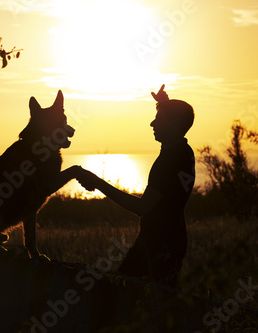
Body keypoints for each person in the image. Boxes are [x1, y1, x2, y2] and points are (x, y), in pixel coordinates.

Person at [75, 85, 195, 288]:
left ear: (175, 124)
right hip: (158, 242)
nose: (152, 123)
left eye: (160, 119)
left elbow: (142, 208)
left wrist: (97, 183)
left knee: (136, 299)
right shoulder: (183, 152)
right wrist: (163, 104)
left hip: (160, 246)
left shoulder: (170, 161)